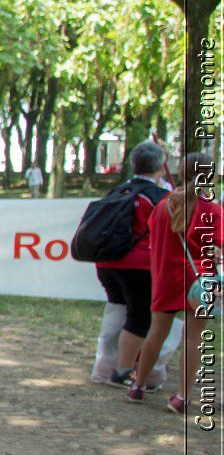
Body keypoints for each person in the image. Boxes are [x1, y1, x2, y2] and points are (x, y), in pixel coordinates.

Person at [130, 153, 220, 413]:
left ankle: (138, 387)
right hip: (200, 282)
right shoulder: (211, 210)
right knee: (193, 338)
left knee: (156, 333)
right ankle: (182, 397)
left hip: (167, 278)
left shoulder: (163, 206)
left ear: (181, 171)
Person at [90, 141, 168, 388]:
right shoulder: (159, 197)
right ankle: (124, 371)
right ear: (161, 168)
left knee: (117, 308)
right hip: (139, 266)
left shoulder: (118, 191)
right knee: (139, 317)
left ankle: (104, 367)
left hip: (106, 262)